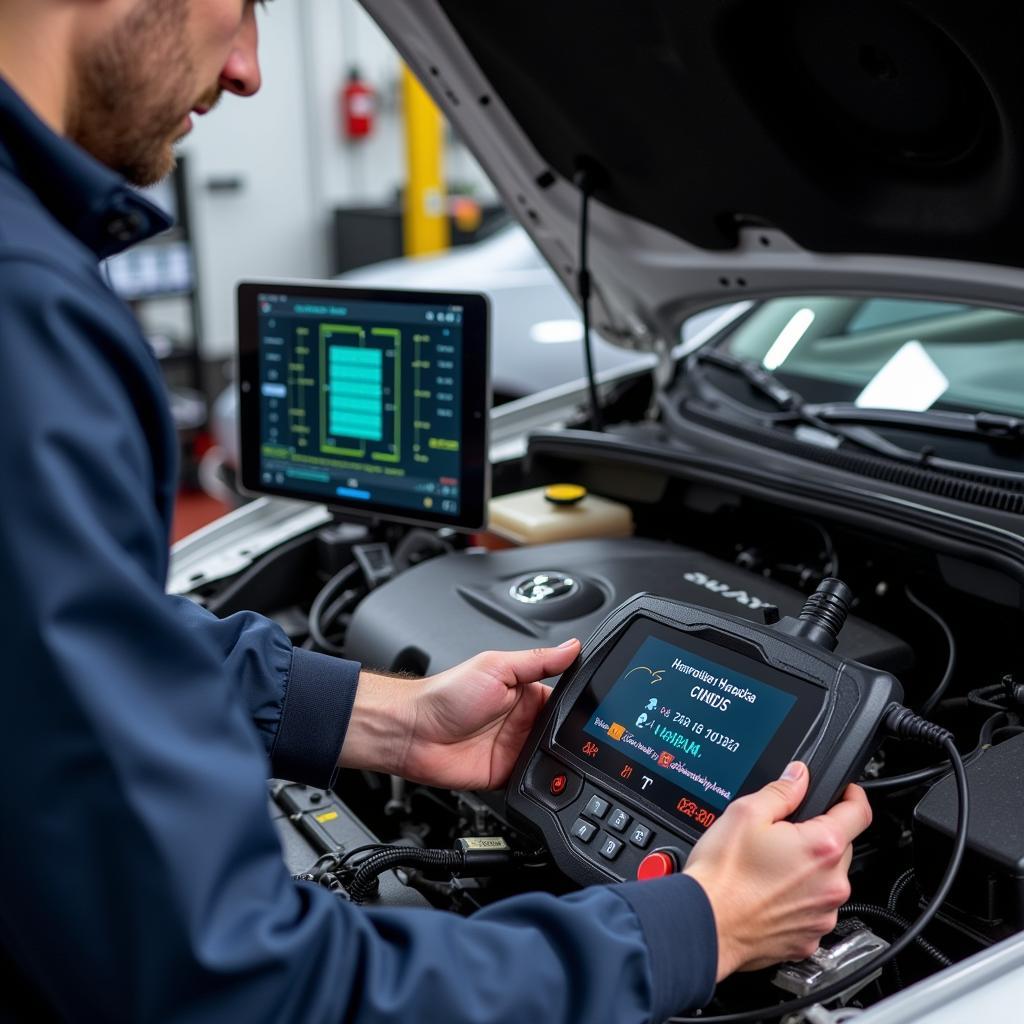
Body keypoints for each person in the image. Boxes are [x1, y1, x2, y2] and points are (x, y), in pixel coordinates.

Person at [0, 1, 872, 1021]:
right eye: (242, 6)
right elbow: (227, 984)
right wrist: (697, 926)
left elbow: (63, 661)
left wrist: (392, 720)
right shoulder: (30, 314)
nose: (247, 70)